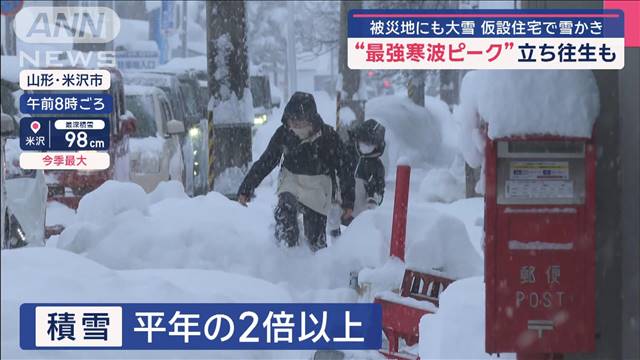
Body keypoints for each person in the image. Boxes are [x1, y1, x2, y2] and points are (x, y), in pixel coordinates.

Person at [237, 92, 355, 251]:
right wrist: (247, 188)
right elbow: (267, 161)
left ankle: (315, 262)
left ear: (311, 120)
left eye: (301, 122)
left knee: (315, 237)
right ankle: (286, 253)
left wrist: (348, 201)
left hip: (318, 186)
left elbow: (344, 168)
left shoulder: (328, 137)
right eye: (293, 121)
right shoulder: (284, 134)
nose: (296, 126)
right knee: (285, 213)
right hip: (291, 181)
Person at [352, 118, 386, 217]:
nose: (364, 146)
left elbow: (379, 194)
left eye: (368, 143)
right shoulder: (355, 159)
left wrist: (374, 194)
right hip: (350, 213)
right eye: (362, 142)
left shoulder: (377, 166)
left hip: (363, 216)